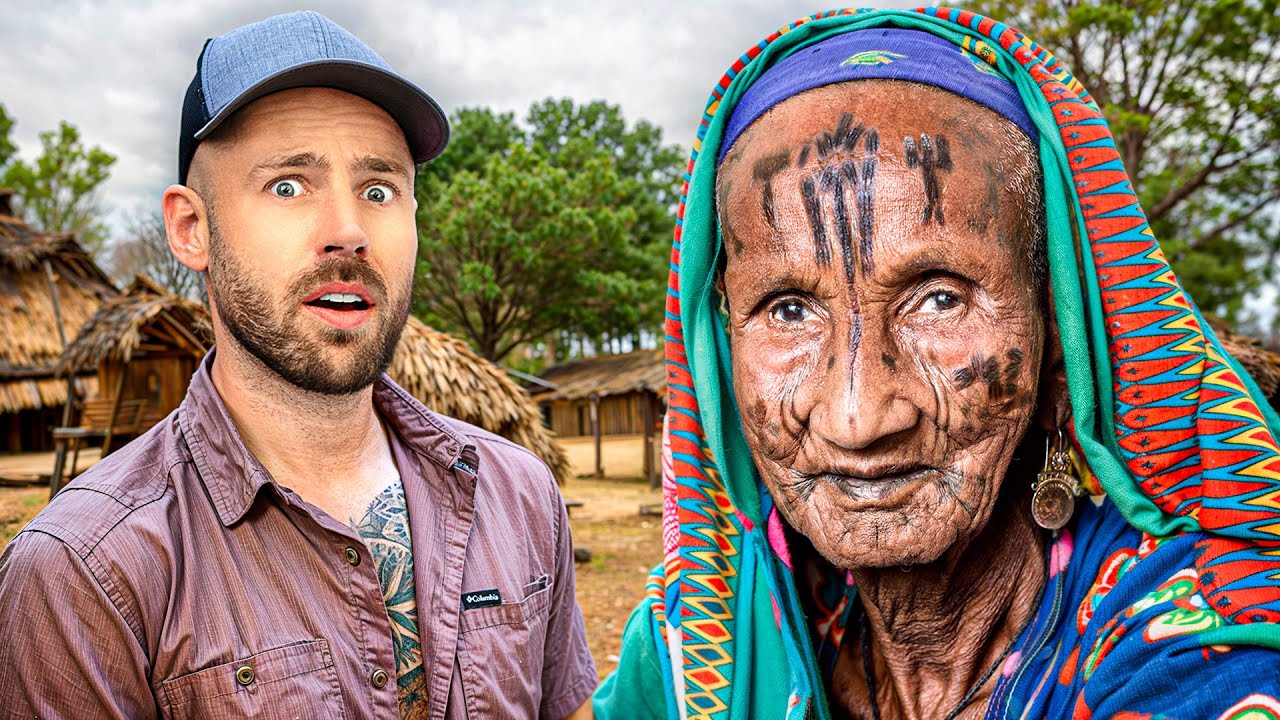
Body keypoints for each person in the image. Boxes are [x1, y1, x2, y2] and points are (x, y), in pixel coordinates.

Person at [594, 8, 1280, 720]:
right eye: (789, 309)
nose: (857, 417)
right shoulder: (703, 636)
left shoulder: (1204, 651)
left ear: (1057, 343)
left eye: (940, 299)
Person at [0, 12, 595, 719]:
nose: (348, 230)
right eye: (288, 185)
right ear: (192, 228)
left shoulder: (520, 495)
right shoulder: (84, 573)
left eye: (380, 190)